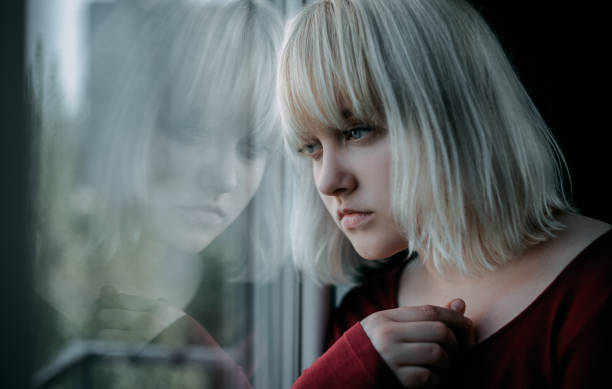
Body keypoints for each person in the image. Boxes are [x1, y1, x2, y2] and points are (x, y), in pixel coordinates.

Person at [277, 0, 612, 387]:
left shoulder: (596, 290)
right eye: (311, 148)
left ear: (450, 110)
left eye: (357, 131)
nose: (327, 181)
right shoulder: (365, 325)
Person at [33, 0, 284, 386]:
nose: (224, 178)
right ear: (128, 123)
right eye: (190, 129)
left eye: (251, 146)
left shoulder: (248, 337)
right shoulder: (49, 312)